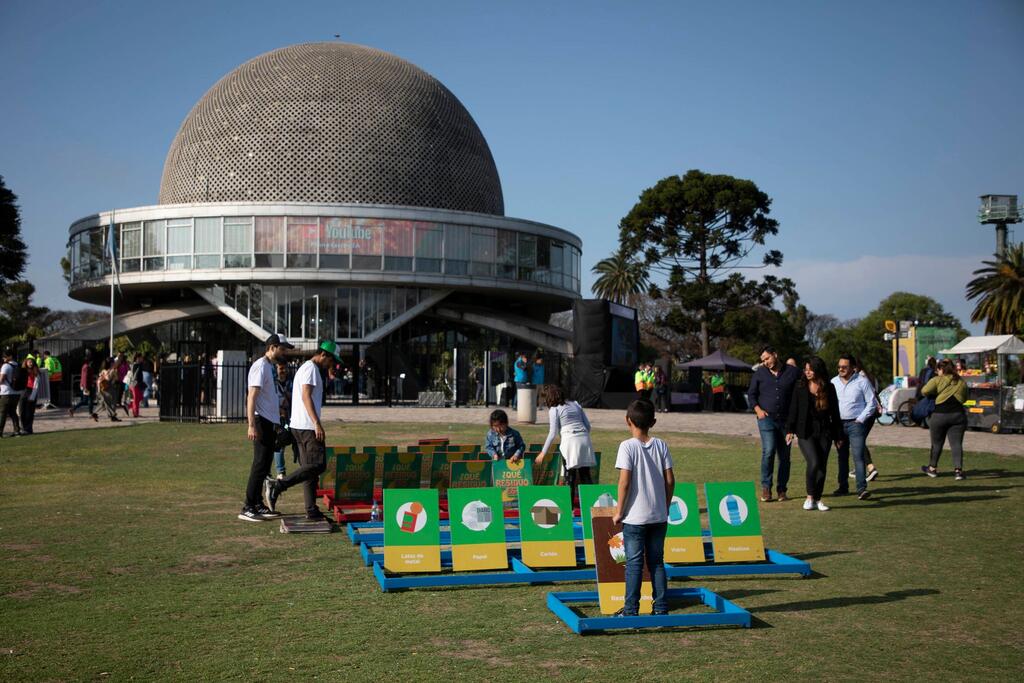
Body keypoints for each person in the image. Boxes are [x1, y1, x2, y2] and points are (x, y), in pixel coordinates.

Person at [264, 340, 341, 521]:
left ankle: (311, 510)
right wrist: (316, 423)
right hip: (307, 426)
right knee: (318, 465)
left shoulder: (308, 368)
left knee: (309, 470)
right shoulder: (311, 369)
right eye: (331, 360)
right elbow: (306, 395)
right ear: (323, 355)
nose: (331, 364)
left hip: (299, 425)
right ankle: (279, 485)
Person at [611, 399, 674, 617]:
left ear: (627, 421)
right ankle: (660, 608)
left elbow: (624, 483)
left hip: (635, 518)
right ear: (653, 422)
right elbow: (670, 480)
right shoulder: (662, 445)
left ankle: (631, 610)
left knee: (634, 564)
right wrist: (665, 505)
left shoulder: (627, 446)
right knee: (657, 563)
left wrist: (619, 511)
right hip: (659, 517)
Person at [238, 334, 294, 522]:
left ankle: (258, 503)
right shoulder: (260, 366)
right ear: (273, 347)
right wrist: (251, 425)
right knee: (260, 464)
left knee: (265, 466)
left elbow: (267, 396)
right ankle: (248, 506)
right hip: (260, 421)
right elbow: (251, 396)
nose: (284, 352)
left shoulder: (269, 367)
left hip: (269, 422)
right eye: (282, 348)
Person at [786, 357, 843, 512]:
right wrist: (790, 430)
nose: (807, 372)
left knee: (822, 466)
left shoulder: (829, 388)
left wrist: (838, 436)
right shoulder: (800, 386)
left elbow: (835, 413)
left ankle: (818, 499)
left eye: (810, 369)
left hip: (825, 431)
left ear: (818, 370)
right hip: (805, 431)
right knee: (814, 462)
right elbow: (793, 409)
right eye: (806, 369)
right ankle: (809, 496)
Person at [747, 346, 800, 502]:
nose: (765, 362)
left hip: (787, 422)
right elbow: (752, 395)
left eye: (767, 358)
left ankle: (782, 489)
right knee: (769, 451)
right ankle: (766, 488)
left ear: (775, 355)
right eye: (762, 360)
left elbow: (803, 388)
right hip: (766, 419)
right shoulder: (759, 374)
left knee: (784, 456)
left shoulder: (793, 372)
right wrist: (758, 411)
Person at [536, 385, 595, 504]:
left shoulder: (554, 409)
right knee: (585, 475)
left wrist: (543, 452)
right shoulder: (576, 404)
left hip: (570, 441)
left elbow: (552, 433)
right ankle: (592, 507)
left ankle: (569, 509)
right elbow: (588, 426)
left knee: (570, 477)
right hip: (584, 439)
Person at [832, 354, 877, 500]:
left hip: (856, 424)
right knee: (842, 456)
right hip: (839, 425)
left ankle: (861, 489)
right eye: (839, 367)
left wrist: (861, 419)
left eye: (844, 367)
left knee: (858, 456)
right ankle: (843, 487)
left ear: (853, 368)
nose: (841, 369)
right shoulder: (833, 382)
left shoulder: (862, 381)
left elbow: (871, 402)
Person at [920, 359, 969, 480]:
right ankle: (958, 471)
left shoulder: (937, 380)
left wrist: (936, 393)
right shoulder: (961, 381)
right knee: (957, 444)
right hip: (958, 415)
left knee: (936, 444)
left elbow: (924, 391)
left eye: (938, 369)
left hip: (939, 415)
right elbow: (965, 398)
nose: (937, 371)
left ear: (942, 369)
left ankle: (932, 469)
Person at [848, 357, 881, 482]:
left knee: (857, 441)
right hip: (871, 414)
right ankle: (861, 467)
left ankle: (871, 468)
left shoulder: (860, 379)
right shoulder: (870, 376)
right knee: (858, 441)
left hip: (864, 413)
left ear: (854, 367)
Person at [272, 360, 295, 480]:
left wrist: (287, 395)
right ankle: (280, 471)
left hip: (291, 419)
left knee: (294, 440)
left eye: (285, 368)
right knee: (280, 442)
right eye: (281, 368)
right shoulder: (273, 385)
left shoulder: (291, 383)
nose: (284, 371)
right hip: (280, 421)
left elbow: (296, 397)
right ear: (276, 370)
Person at [68, 350, 98, 421]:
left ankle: (73, 409)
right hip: (87, 386)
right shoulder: (87, 367)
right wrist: (86, 387)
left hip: (86, 386)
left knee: (85, 400)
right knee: (90, 400)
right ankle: (90, 413)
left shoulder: (86, 367)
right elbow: (85, 378)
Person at [0, 348, 23, 437]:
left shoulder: (6, 366)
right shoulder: (18, 365)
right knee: (12, 412)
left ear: (10, 356)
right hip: (16, 392)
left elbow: (1, 379)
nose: (3, 357)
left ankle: (0, 431)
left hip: (6, 393)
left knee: (2, 412)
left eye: (5, 356)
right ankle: (17, 430)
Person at [17, 356, 42, 435]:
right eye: (29, 362)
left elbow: (36, 384)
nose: (30, 363)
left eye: (32, 362)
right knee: (21, 411)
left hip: (31, 391)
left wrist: (33, 395)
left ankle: (28, 429)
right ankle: (23, 428)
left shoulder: (36, 371)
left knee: (29, 412)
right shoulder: (23, 371)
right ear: (26, 363)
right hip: (23, 391)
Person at [127, 353, 146, 418]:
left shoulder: (137, 365)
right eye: (141, 357)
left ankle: (129, 406)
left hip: (135, 384)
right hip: (135, 384)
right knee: (136, 399)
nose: (142, 359)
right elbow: (135, 375)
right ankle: (135, 413)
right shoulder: (136, 365)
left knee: (139, 397)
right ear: (138, 358)